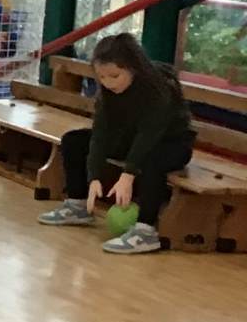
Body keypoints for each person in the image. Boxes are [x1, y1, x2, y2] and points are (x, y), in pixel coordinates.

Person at [38, 32, 196, 255]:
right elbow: (100, 133)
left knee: (152, 160)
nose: (108, 83)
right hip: (130, 140)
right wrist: (93, 177)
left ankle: (146, 231)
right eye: (102, 77)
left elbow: (149, 135)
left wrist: (128, 174)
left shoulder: (161, 87)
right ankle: (77, 206)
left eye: (114, 76)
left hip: (171, 143)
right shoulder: (107, 92)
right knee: (74, 140)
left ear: (133, 68)